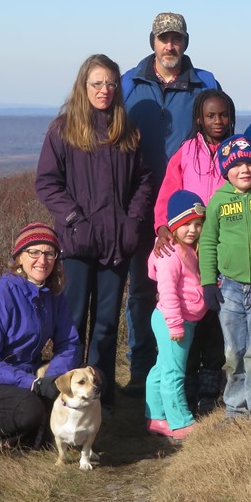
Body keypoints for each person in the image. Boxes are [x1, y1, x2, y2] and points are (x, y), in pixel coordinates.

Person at [35, 54, 152, 410]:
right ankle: (66, 401)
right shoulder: (63, 129)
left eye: (111, 84)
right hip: (76, 245)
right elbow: (47, 183)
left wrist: (132, 223)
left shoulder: (127, 132)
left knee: (104, 326)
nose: (104, 90)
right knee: (71, 327)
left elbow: (143, 182)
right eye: (97, 83)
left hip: (116, 244)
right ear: (83, 86)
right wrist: (74, 220)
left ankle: (102, 403)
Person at [122, 12, 221, 393]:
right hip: (139, 200)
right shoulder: (131, 82)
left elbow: (217, 133)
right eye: (163, 38)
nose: (170, 46)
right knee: (144, 289)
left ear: (185, 42)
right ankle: (143, 369)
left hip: (190, 213)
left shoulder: (204, 83)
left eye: (176, 38)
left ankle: (189, 369)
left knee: (194, 285)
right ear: (152, 42)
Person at [0, 223, 83, 449]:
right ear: (19, 257)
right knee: (30, 409)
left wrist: (55, 379)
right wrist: (34, 385)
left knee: (88, 379)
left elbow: (69, 343)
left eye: (49, 253)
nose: (42, 260)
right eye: (34, 252)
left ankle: (27, 438)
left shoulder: (53, 295)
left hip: (25, 374)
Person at [152, 88, 235, 414]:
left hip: (223, 250)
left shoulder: (236, 152)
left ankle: (209, 391)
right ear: (199, 119)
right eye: (211, 115)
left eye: (223, 115)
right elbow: (166, 197)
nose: (218, 121)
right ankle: (182, 388)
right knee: (191, 319)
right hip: (189, 251)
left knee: (216, 321)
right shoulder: (186, 153)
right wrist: (162, 228)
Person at [198, 135, 251, 419]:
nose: (244, 170)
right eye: (236, 166)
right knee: (233, 351)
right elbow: (208, 242)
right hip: (229, 288)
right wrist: (208, 281)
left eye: (249, 163)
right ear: (225, 171)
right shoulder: (218, 201)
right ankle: (236, 408)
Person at [146, 190, 208, 440]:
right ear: (173, 225)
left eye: (197, 224)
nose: (192, 230)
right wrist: (175, 326)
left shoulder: (187, 249)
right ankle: (180, 422)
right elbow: (168, 292)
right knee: (174, 372)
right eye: (185, 224)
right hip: (173, 320)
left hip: (179, 319)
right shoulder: (170, 254)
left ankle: (156, 417)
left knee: (162, 368)